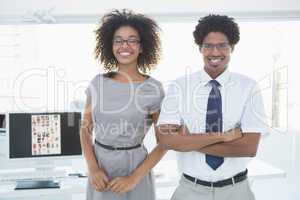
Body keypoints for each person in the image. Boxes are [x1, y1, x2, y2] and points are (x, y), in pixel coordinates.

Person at [157, 14, 268, 200]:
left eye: (222, 45)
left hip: (237, 191)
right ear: (200, 48)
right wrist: (225, 136)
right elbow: (167, 141)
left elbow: (248, 147)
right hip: (189, 190)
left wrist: (187, 140)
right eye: (208, 45)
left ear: (232, 47)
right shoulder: (179, 87)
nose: (215, 52)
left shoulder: (248, 87)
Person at [80, 9, 166, 200]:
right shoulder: (98, 83)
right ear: (111, 45)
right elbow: (85, 129)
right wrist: (93, 168)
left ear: (142, 47)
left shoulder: (153, 88)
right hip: (100, 169)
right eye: (118, 40)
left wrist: (133, 179)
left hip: (135, 168)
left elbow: (165, 143)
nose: (124, 45)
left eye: (132, 40)